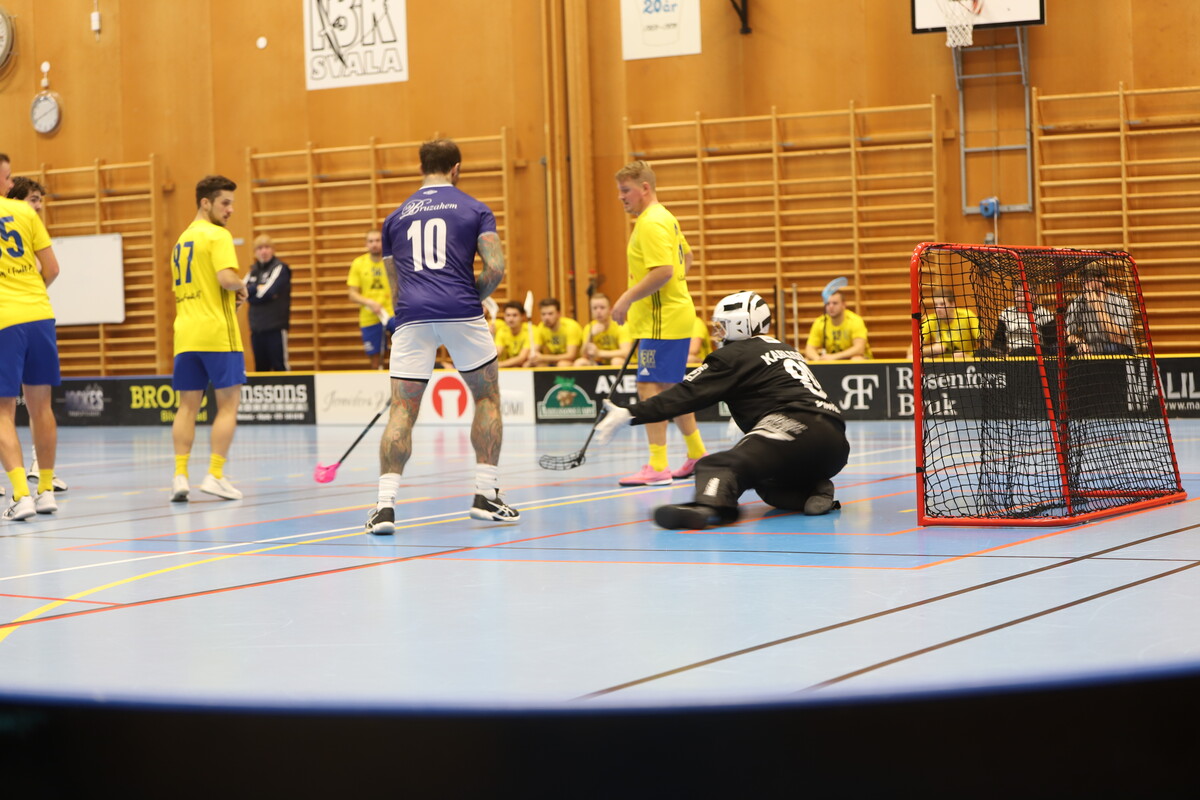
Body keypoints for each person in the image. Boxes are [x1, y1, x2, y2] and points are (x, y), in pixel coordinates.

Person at [365, 138, 519, 535]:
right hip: (461, 310)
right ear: (456, 169)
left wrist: (407, 317)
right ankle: (485, 495)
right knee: (486, 397)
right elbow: (495, 268)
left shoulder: (394, 218)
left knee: (402, 410)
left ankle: (384, 507)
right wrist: (471, 297)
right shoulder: (475, 209)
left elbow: (395, 285)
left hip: (411, 316)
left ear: (422, 168)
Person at [595, 291, 848, 530]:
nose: (718, 333)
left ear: (741, 325)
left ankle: (710, 509)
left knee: (717, 465)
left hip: (793, 426)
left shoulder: (733, 354)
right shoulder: (786, 349)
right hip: (835, 441)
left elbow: (684, 395)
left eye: (723, 325)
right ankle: (815, 488)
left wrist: (629, 413)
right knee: (763, 480)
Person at [610, 160, 707, 485]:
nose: (621, 197)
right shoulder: (665, 217)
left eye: (626, 190)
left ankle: (658, 465)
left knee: (649, 387)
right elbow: (687, 258)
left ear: (645, 188)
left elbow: (664, 271)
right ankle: (697, 454)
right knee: (670, 388)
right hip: (671, 315)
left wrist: (626, 298)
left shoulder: (651, 222)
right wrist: (673, 290)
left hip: (661, 320)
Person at [169, 175, 248, 503]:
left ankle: (179, 475)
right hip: (217, 334)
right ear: (206, 203)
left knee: (187, 407)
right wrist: (242, 285)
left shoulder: (182, 240)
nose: (230, 210)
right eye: (225, 203)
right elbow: (226, 278)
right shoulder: (218, 235)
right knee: (228, 405)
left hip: (185, 334)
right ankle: (215, 475)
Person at [0, 157, 63, 520]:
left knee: (3, 412)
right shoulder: (25, 213)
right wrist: (29, 293)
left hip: (4, 321)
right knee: (42, 408)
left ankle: (21, 495)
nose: (11, 185)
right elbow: (52, 268)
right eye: (7, 178)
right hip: (40, 315)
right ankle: (46, 491)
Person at [244, 234, 291, 371]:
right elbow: (242, 292)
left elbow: (269, 292)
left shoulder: (280, 268)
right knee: (260, 368)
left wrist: (253, 292)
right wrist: (256, 289)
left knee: (279, 366)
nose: (263, 251)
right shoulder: (253, 271)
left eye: (267, 247)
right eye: (259, 248)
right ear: (255, 252)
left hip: (275, 327)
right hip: (256, 328)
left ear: (273, 250)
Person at [347, 230, 392, 369]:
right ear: (366, 244)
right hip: (369, 316)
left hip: (392, 313)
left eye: (378, 240)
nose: (374, 244)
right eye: (371, 241)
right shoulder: (359, 263)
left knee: (400, 351)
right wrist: (369, 303)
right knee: (375, 358)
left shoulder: (391, 262)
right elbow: (352, 294)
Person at [1064, 267, 1135, 356]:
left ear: (1102, 279)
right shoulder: (1079, 302)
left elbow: (1117, 339)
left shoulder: (1121, 301)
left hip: (1120, 349)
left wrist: (1097, 306)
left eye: (1089, 281)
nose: (1085, 286)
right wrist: (1078, 342)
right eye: (1083, 282)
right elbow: (1065, 332)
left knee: (1111, 347)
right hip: (1092, 350)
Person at [804, 290, 871, 361]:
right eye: (828, 303)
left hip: (853, 358)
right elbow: (809, 349)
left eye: (835, 303)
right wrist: (818, 359)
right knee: (807, 360)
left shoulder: (855, 320)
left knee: (856, 359)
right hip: (831, 360)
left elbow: (859, 349)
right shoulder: (820, 322)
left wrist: (834, 357)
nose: (831, 306)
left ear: (844, 305)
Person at [990, 285, 1055, 356]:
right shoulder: (1006, 314)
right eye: (1018, 295)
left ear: (1034, 295)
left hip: (1034, 355)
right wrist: (1004, 351)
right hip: (1010, 355)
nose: (1021, 299)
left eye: (1024, 295)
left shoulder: (1045, 314)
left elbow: (1051, 344)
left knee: (1023, 351)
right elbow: (998, 341)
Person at [575, 292, 632, 367]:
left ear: (610, 309)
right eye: (595, 308)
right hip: (598, 363)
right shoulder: (589, 327)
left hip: (621, 362)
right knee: (580, 362)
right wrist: (590, 335)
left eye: (602, 307)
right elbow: (583, 354)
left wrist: (599, 353)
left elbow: (626, 352)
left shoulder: (621, 325)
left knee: (616, 361)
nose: (598, 311)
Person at [919, 290, 980, 358]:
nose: (938, 309)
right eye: (936, 305)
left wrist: (966, 357)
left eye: (942, 304)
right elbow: (912, 351)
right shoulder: (931, 320)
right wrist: (932, 350)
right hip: (942, 363)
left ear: (952, 304)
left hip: (967, 361)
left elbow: (984, 341)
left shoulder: (967, 316)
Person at [525, 298, 583, 367]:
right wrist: (532, 356)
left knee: (562, 364)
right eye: (543, 314)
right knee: (530, 364)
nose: (546, 318)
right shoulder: (541, 327)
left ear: (558, 314)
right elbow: (534, 350)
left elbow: (570, 355)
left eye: (550, 314)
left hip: (574, 362)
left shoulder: (571, 327)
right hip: (553, 361)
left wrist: (543, 357)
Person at [494, 301, 531, 368]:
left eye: (514, 315)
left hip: (525, 367)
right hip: (508, 367)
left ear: (522, 316)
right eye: (508, 315)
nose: (511, 319)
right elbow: (498, 352)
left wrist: (499, 365)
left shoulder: (530, 331)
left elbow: (522, 358)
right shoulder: (502, 331)